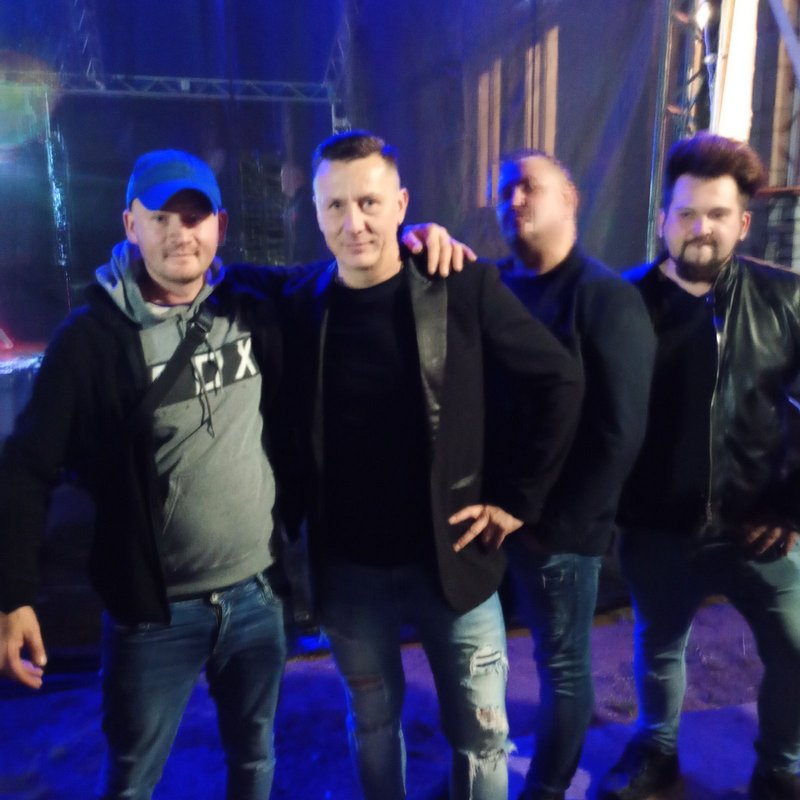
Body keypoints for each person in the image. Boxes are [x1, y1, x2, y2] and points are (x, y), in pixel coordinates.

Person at [0, 147, 465, 800]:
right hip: (153, 614)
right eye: (160, 217)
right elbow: (25, 465)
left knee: (254, 759)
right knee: (132, 777)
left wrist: (417, 240)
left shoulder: (254, 299)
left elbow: (351, 266)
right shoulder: (90, 340)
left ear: (219, 225)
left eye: (194, 218)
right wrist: (13, 594)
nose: (179, 234)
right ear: (130, 224)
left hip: (257, 595)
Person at [277, 130, 584, 800]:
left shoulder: (460, 285)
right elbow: (214, 274)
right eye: (335, 206)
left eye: (369, 202)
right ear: (316, 213)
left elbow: (559, 380)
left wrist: (518, 499)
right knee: (372, 725)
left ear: (401, 204)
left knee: (481, 738)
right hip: (348, 572)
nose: (353, 222)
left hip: (454, 563)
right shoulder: (300, 303)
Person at [599, 132, 800, 800]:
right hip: (656, 528)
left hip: (759, 528)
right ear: (662, 218)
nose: (700, 228)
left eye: (717, 214)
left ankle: (782, 765)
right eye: (686, 213)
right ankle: (656, 750)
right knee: (658, 646)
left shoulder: (787, 299)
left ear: (743, 223)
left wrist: (792, 505)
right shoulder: (619, 302)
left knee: (796, 648)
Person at [492, 150, 655, 800]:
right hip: (488, 521)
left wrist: (555, 525)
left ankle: (547, 789)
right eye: (504, 192)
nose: (514, 201)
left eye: (529, 187)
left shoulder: (606, 298)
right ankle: (480, 770)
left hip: (555, 534)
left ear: (570, 199)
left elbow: (619, 431)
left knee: (561, 668)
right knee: (485, 659)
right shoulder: (493, 286)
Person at [281, 160, 328, 264]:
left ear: (297, 178)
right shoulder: (294, 203)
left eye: (285, 176)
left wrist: (299, 261)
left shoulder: (306, 203)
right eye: (282, 177)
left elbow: (305, 236)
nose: (282, 181)